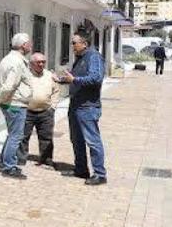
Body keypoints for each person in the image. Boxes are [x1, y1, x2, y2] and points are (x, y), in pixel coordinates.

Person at [58, 32, 107, 186]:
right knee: (76, 139)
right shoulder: (80, 58)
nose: (72, 46)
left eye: (74, 43)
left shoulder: (94, 57)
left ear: (84, 44)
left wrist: (74, 79)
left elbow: (96, 78)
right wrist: (62, 80)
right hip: (75, 105)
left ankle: (100, 174)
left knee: (92, 141)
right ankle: (81, 169)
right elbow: (74, 79)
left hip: (87, 107)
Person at [0, 33, 33, 179]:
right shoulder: (16, 61)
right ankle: (9, 167)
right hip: (15, 103)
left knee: (12, 135)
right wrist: (0, 99)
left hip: (11, 102)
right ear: (23, 45)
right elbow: (10, 85)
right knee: (16, 136)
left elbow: (2, 82)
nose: (31, 46)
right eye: (29, 43)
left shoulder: (8, 59)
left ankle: (5, 162)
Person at [18, 52, 65, 169]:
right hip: (27, 111)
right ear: (31, 64)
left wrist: (53, 107)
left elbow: (56, 91)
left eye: (43, 62)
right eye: (38, 62)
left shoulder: (49, 75)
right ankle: (20, 160)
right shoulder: (25, 75)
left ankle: (46, 160)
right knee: (23, 137)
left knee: (46, 138)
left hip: (46, 112)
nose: (41, 64)